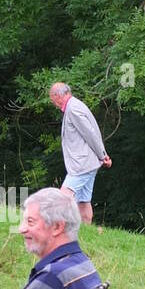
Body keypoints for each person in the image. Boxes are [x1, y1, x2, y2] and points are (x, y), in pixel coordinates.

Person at [49, 82, 112, 225]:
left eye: (53, 100)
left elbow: (90, 134)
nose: (54, 103)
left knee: (64, 195)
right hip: (88, 163)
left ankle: (54, 228)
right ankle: (86, 230)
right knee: (83, 201)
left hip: (82, 164)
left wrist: (103, 156)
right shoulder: (75, 105)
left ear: (58, 96)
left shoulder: (73, 109)